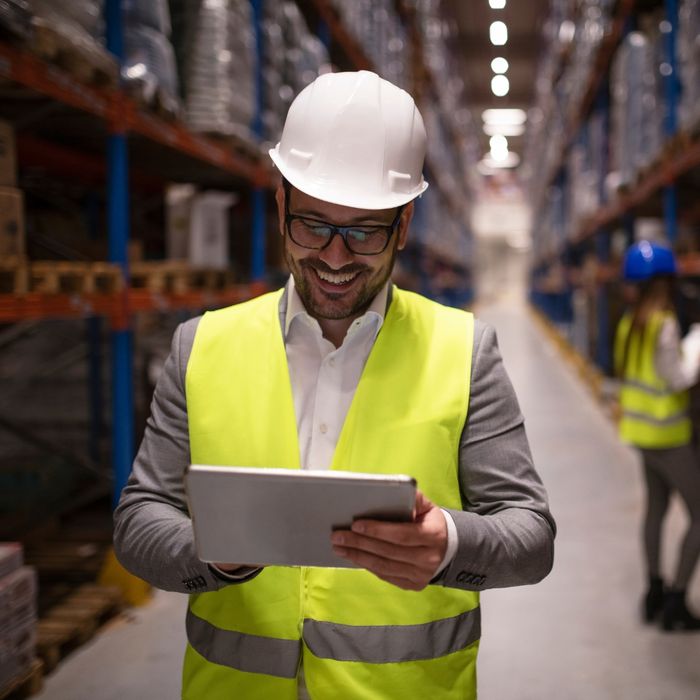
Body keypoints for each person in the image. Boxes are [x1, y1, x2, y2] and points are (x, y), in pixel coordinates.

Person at [114, 71, 555, 699]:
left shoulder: (464, 352)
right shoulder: (201, 346)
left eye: (365, 231)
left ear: (403, 226)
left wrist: (450, 544)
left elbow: (531, 537)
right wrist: (209, 554)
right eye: (313, 225)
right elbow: (137, 522)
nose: (336, 257)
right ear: (280, 206)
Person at [615, 240, 700, 631]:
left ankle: (653, 593)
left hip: (641, 435)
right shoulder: (663, 324)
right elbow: (679, 377)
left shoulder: (628, 324)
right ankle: (677, 602)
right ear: (665, 282)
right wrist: (697, 343)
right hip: (669, 436)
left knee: (657, 509)